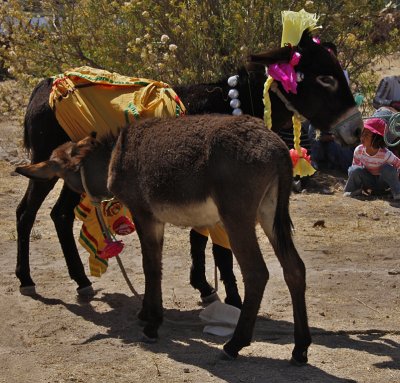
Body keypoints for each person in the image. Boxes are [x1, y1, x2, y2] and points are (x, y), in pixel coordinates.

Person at [343, 117, 400, 200]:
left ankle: (397, 193)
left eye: (366, 135)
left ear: (376, 138)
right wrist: (362, 184)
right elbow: (354, 171)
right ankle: (352, 191)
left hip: (382, 182)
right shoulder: (359, 150)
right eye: (362, 133)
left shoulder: (385, 154)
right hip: (369, 181)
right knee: (354, 169)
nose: (362, 137)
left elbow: (398, 165)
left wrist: (394, 180)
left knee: (387, 168)